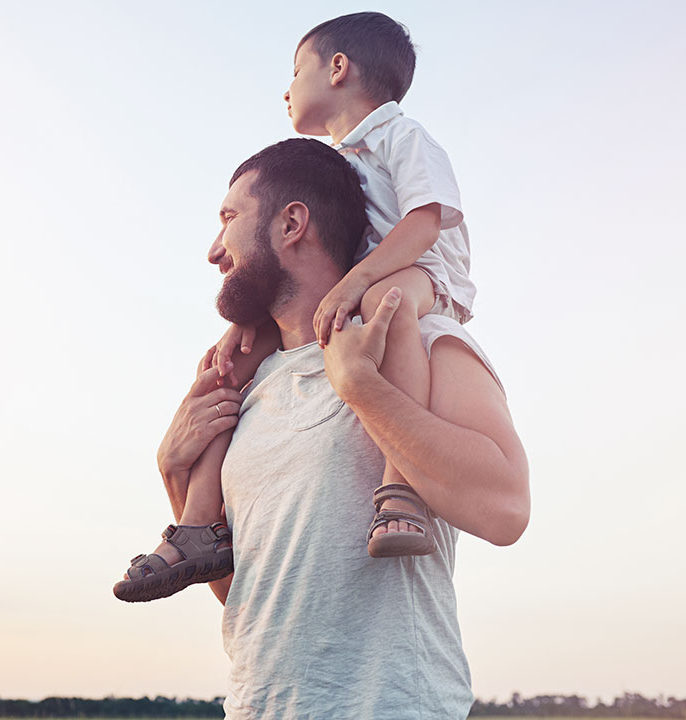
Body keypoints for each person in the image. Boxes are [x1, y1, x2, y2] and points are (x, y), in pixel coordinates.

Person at [143, 138, 528, 717]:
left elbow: (506, 510)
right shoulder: (250, 388)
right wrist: (174, 475)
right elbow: (251, 598)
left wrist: (361, 388)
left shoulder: (421, 345)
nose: (213, 251)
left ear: (292, 223)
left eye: (229, 219)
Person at [115, 12, 480, 603]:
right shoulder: (342, 163)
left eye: (296, 70)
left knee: (393, 309)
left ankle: (401, 489)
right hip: (364, 281)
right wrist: (244, 322)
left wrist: (355, 283)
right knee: (225, 364)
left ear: (338, 69)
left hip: (425, 273)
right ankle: (199, 526)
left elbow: (425, 222)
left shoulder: (401, 137)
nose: (286, 89)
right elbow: (243, 599)